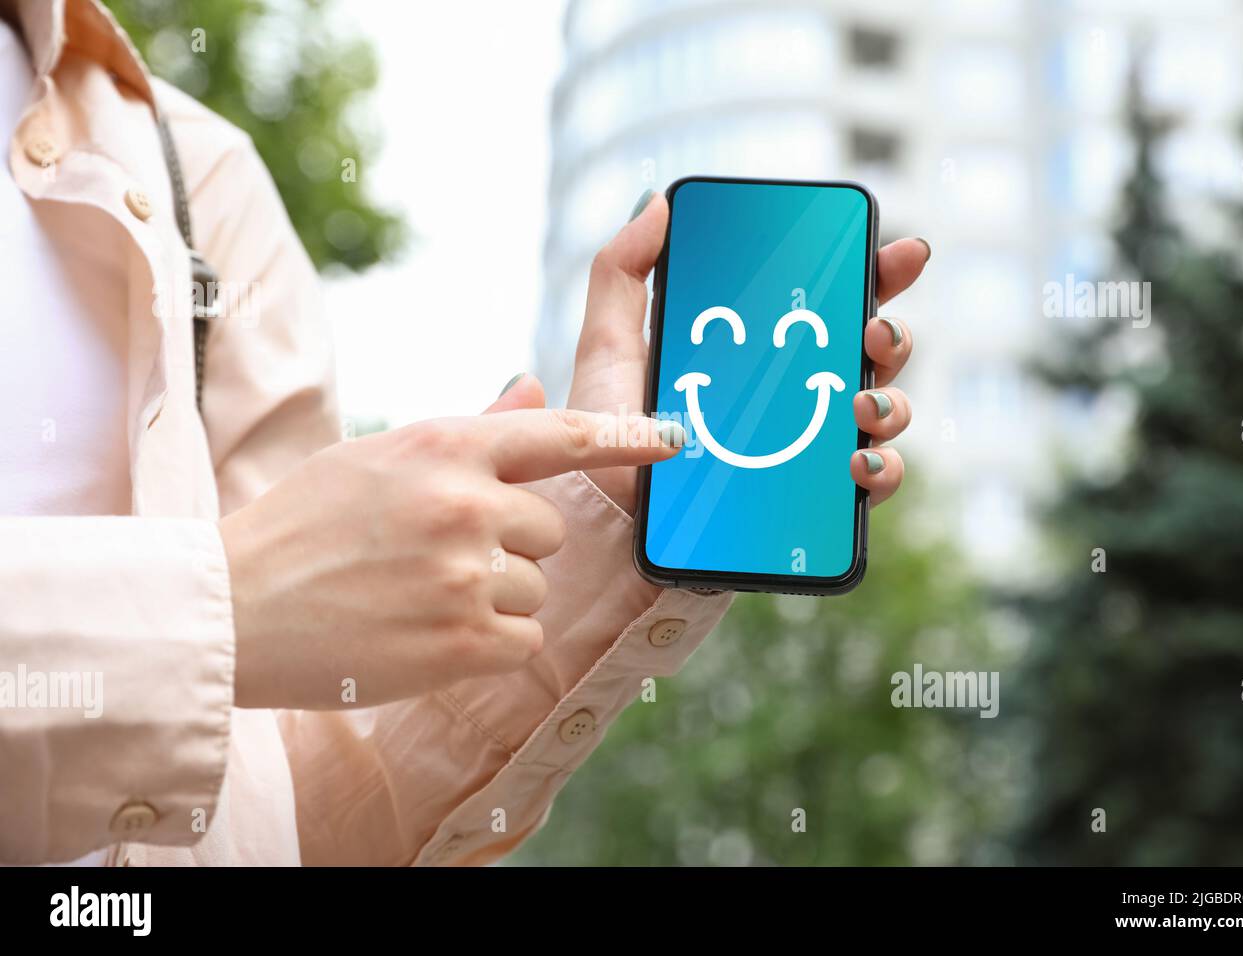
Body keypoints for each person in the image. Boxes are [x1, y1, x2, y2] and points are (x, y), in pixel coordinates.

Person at [0, 0, 925, 866]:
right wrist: (222, 608)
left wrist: (607, 508)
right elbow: (243, 614)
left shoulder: (191, 178)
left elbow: (283, 822)